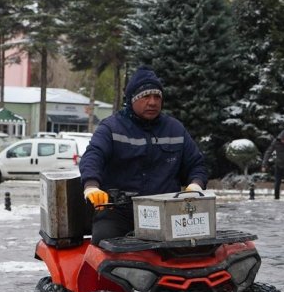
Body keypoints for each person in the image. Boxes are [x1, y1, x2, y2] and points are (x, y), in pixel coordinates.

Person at [78, 65, 208, 245]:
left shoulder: (175, 129)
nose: (153, 102)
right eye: (145, 96)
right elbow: (93, 156)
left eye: (157, 97)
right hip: (119, 212)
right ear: (131, 99)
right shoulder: (111, 128)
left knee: (195, 252)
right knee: (103, 245)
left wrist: (196, 185)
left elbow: (196, 164)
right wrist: (91, 186)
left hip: (166, 213)